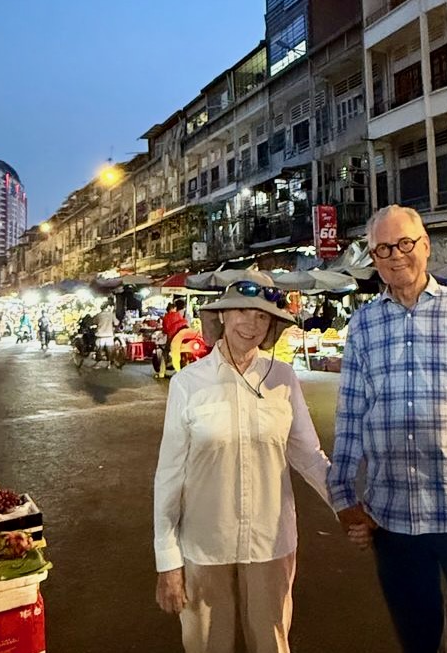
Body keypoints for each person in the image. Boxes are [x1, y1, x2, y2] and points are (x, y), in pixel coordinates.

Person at [328, 205, 447, 653]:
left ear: (425, 246)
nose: (396, 256)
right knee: (417, 639)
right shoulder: (362, 325)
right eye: (383, 248)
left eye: (404, 244)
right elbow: (351, 417)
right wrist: (343, 498)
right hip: (391, 515)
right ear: (373, 257)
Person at [153, 273, 332, 653]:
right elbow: (169, 477)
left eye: (263, 317)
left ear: (271, 327)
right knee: (207, 645)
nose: (251, 323)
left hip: (271, 541)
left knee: (271, 643)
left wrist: (349, 506)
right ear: (222, 316)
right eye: (242, 311)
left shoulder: (282, 378)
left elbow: (309, 456)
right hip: (204, 544)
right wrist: (167, 561)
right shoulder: (188, 383)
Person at [93, 302, 118, 368]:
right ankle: (109, 364)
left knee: (99, 350)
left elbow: (94, 322)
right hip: (109, 335)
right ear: (107, 307)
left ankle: (98, 364)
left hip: (100, 335)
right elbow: (116, 323)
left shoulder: (99, 315)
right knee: (110, 350)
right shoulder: (111, 314)